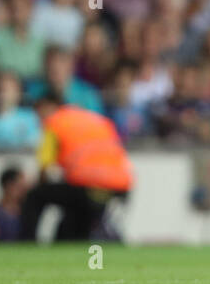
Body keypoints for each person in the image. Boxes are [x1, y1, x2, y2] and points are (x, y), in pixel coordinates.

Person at [19, 98, 133, 241]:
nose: (38, 121)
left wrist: (37, 183)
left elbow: (45, 165)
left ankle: (27, 242)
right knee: (76, 211)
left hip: (85, 185)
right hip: (119, 187)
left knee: (34, 196)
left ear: (48, 107)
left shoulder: (55, 122)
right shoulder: (100, 121)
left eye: (38, 115)